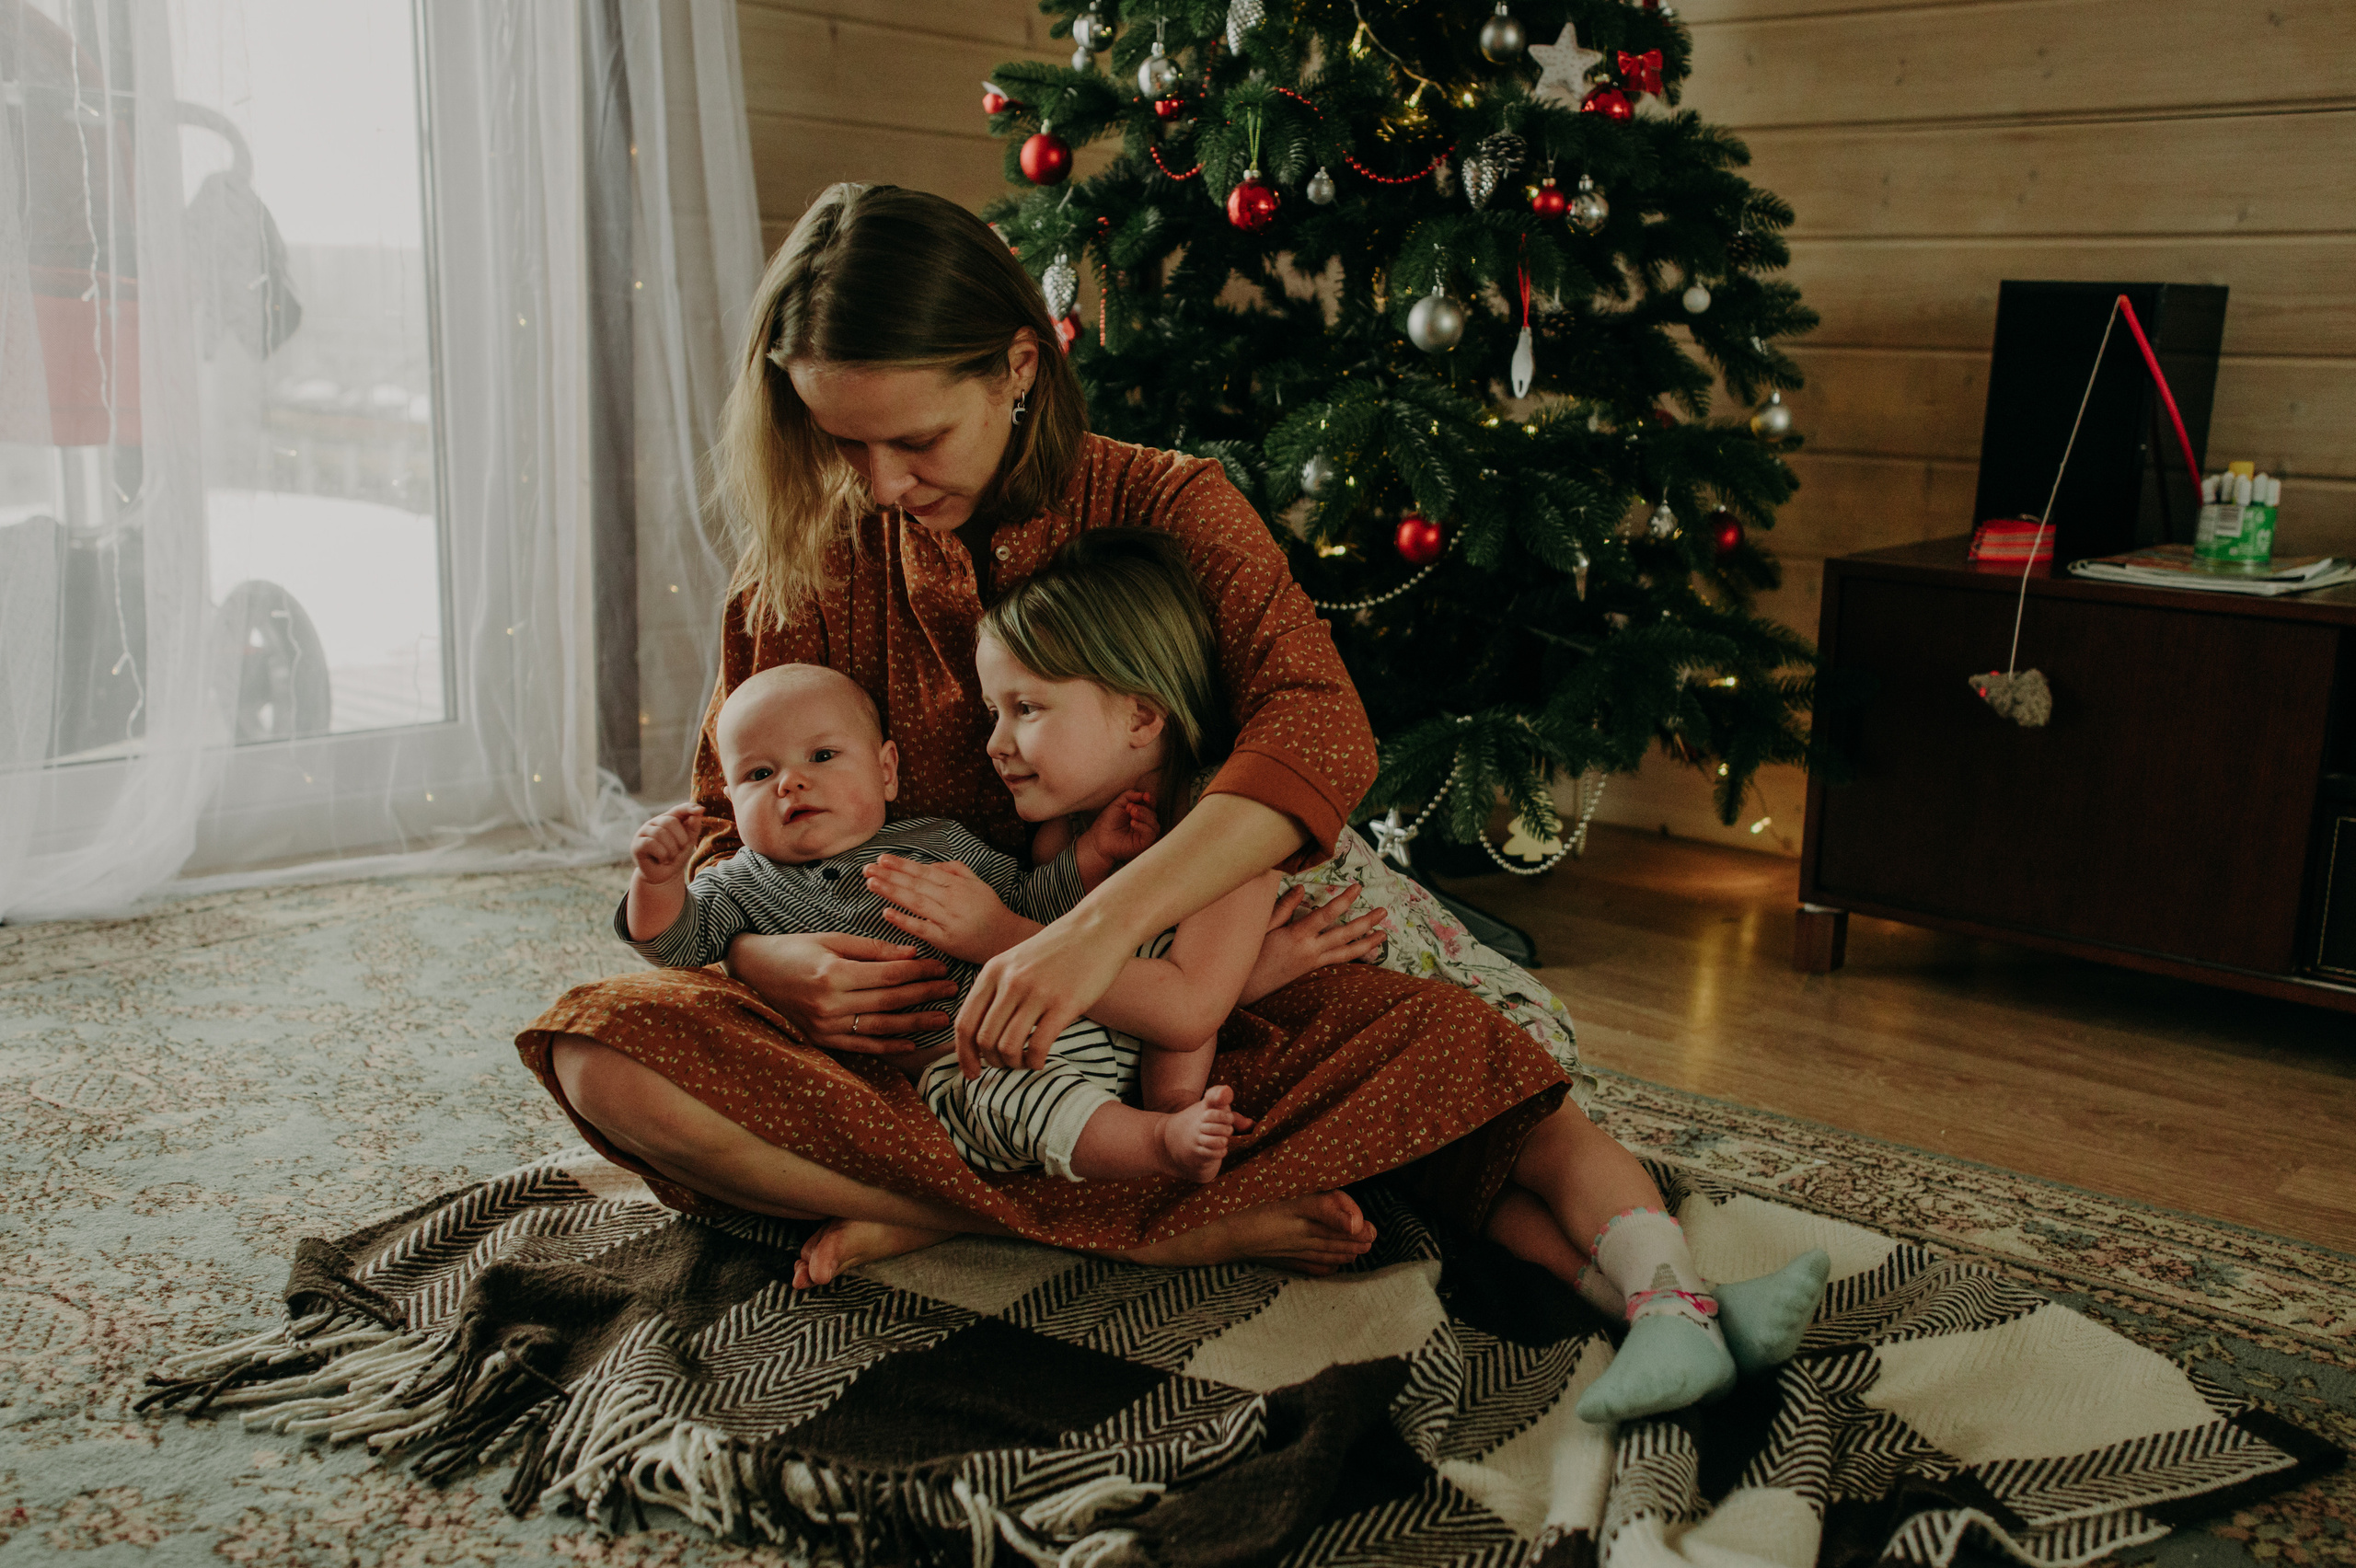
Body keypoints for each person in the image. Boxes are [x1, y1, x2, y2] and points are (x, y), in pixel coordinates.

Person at [516, 182, 1823, 1423]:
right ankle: (1117, 1221)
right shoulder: (804, 560)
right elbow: (719, 819)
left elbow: (1314, 728)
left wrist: (1089, 937)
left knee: (1464, 1065)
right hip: (917, 1047)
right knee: (598, 1051)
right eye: (837, 442)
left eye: (914, 440)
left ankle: (1001, 1202)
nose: (878, 484)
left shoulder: (1167, 503)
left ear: (1018, 365)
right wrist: (771, 962)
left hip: (1175, 1004)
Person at [620, 658, 1256, 1184]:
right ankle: (1158, 1142)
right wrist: (657, 881)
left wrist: (1092, 854)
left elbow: (1030, 907)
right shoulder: (740, 883)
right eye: (759, 774)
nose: (790, 784)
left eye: (822, 756)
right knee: (1009, 1101)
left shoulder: (940, 842)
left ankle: (1184, 1081)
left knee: (1145, 932)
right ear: (731, 799)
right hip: (968, 1060)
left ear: (886, 771)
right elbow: (677, 945)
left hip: (1052, 1004)